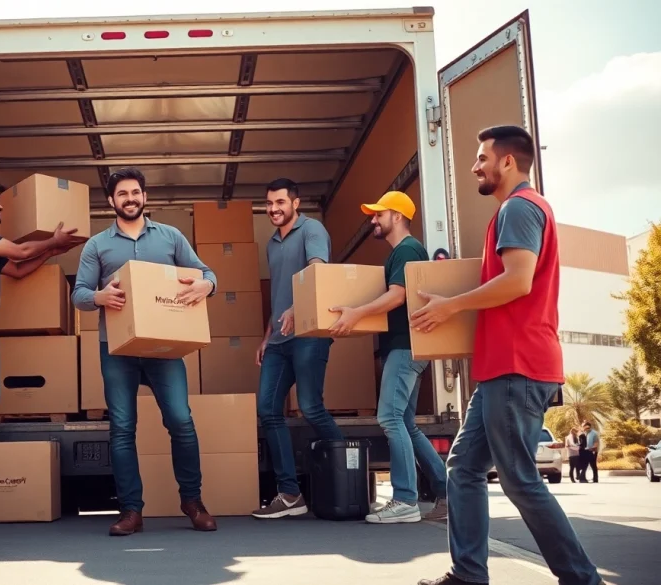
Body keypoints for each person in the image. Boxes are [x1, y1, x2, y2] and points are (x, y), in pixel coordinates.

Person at [411, 125, 602, 585]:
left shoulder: (519, 208)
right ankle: (469, 574)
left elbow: (518, 281)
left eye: (482, 158)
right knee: (463, 468)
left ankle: (581, 578)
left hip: (518, 366)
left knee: (518, 479)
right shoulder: (519, 211)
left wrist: (450, 306)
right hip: (503, 369)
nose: (476, 165)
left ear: (508, 162)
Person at [72, 167, 219, 536]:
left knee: (181, 422)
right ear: (111, 201)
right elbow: (79, 295)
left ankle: (192, 500)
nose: (130, 199)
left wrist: (206, 286)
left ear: (145, 196)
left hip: (165, 348)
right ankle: (131, 511)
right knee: (122, 429)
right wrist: (99, 297)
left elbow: (207, 273)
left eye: (135, 192)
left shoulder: (170, 237)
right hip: (117, 348)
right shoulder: (97, 245)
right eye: (123, 194)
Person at [326, 190, 448, 524]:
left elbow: (398, 296)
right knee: (405, 422)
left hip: (406, 346)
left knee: (390, 418)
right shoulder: (401, 253)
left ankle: (406, 500)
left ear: (396, 215)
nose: (373, 220)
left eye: (378, 214)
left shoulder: (407, 249)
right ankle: (447, 494)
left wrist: (355, 314)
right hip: (407, 345)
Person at [0, 183, 84, 454]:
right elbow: (20, 252)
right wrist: (53, 240)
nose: (0, 205)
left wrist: (50, 253)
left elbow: (17, 269)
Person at [250, 178, 345, 520]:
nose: (274, 209)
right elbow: (277, 296)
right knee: (268, 410)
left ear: (295, 202)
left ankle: (347, 471)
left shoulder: (312, 229)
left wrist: (297, 308)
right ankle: (290, 494)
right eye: (269, 204)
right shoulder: (271, 244)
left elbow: (318, 270)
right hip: (278, 341)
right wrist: (266, 336)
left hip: (308, 333)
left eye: (280, 202)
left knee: (310, 407)